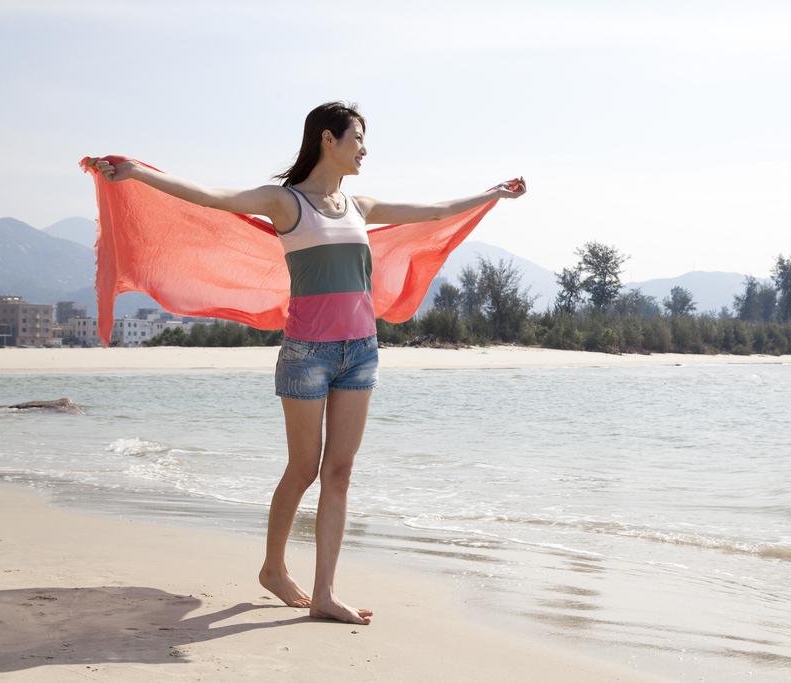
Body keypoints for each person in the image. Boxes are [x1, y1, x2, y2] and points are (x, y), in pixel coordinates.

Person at [85, 101, 526, 624]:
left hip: (361, 351)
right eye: (357, 138)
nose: (364, 149)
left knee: (339, 472)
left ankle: (324, 594)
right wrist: (136, 173)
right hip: (307, 353)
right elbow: (214, 197)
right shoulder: (285, 201)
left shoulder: (360, 206)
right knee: (304, 468)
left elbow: (433, 211)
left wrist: (493, 193)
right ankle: (273, 568)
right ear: (327, 139)